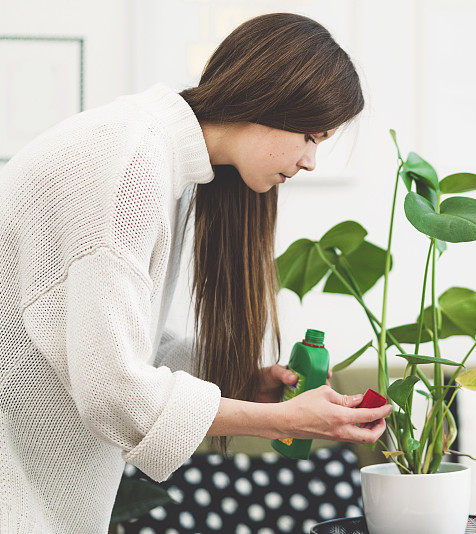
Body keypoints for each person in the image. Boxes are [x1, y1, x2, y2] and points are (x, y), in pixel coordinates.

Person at [0, 12, 393, 534]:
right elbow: (112, 388)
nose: (311, 161)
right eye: (309, 136)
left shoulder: (160, 157)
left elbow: (102, 340)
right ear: (267, 100)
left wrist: (239, 379)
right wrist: (283, 420)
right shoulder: (130, 162)